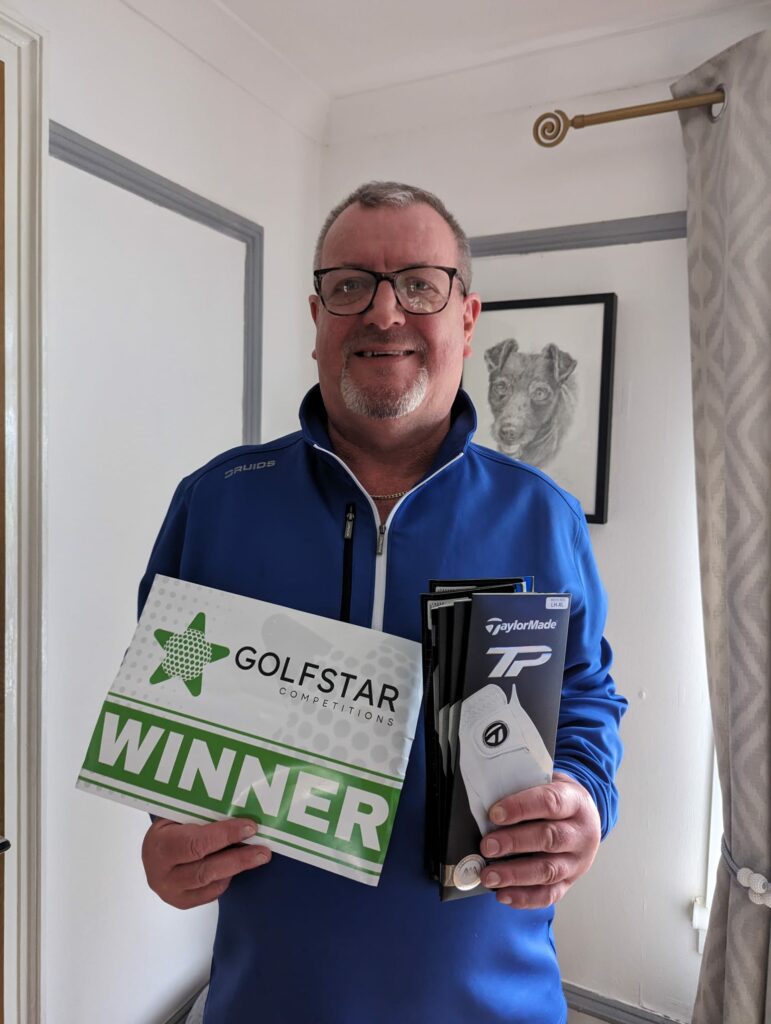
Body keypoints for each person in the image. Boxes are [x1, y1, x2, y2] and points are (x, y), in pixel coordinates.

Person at [140, 181, 626, 1024]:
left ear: (466, 318)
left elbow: (583, 696)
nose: (384, 311)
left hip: (490, 1001)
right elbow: (167, 693)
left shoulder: (540, 516)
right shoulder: (216, 502)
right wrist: (165, 828)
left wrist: (582, 798)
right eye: (350, 285)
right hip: (270, 1000)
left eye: (419, 285)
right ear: (317, 316)